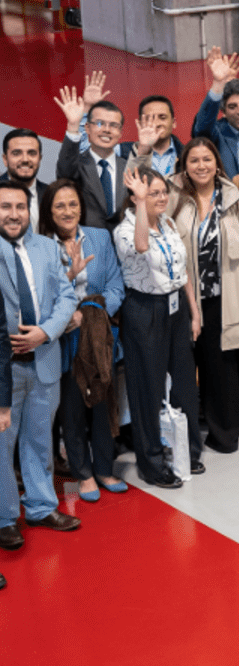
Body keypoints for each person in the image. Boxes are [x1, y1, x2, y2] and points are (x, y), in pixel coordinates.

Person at [0, 180, 81, 549]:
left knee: (39, 439)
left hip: (45, 359)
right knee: (3, 445)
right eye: (5, 207)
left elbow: (66, 298)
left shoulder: (48, 248)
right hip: (7, 368)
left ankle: (41, 507)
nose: (14, 214)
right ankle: (4, 518)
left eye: (20, 206)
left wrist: (45, 333)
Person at [160, 138, 239, 454]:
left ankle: (225, 432)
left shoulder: (234, 199)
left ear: (217, 163)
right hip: (185, 299)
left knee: (222, 368)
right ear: (184, 166)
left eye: (206, 159)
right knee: (185, 367)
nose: (201, 166)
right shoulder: (174, 198)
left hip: (223, 298)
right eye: (194, 160)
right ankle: (186, 436)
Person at [113, 167, 201, 488]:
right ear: (137, 197)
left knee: (182, 382)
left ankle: (185, 451)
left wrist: (193, 312)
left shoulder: (168, 223)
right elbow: (140, 247)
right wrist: (139, 206)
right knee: (147, 388)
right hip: (144, 310)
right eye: (154, 193)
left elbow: (183, 268)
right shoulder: (124, 229)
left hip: (175, 307)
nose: (162, 197)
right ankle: (151, 464)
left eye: (164, 192)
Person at [39, 181, 127, 502]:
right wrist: (69, 312)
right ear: (49, 212)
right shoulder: (41, 247)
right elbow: (41, 299)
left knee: (102, 403)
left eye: (72, 204)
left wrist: (93, 313)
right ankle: (83, 473)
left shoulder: (100, 238)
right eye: (60, 206)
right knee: (72, 409)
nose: (68, 211)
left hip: (98, 335)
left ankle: (104, 468)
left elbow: (116, 284)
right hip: (63, 341)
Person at [56, 90, 127, 230]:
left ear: (120, 132)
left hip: (124, 248)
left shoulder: (129, 168)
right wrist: (73, 125)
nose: (106, 130)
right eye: (100, 123)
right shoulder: (76, 165)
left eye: (113, 125)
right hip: (85, 245)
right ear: (87, 128)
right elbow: (64, 173)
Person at [192, 49, 239, 177]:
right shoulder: (218, 136)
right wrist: (218, 84)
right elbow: (202, 128)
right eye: (232, 106)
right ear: (224, 113)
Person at [2, 128, 48, 223]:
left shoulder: (52, 195)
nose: (25, 160)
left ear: (39, 158)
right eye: (17, 153)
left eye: (32, 153)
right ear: (5, 159)